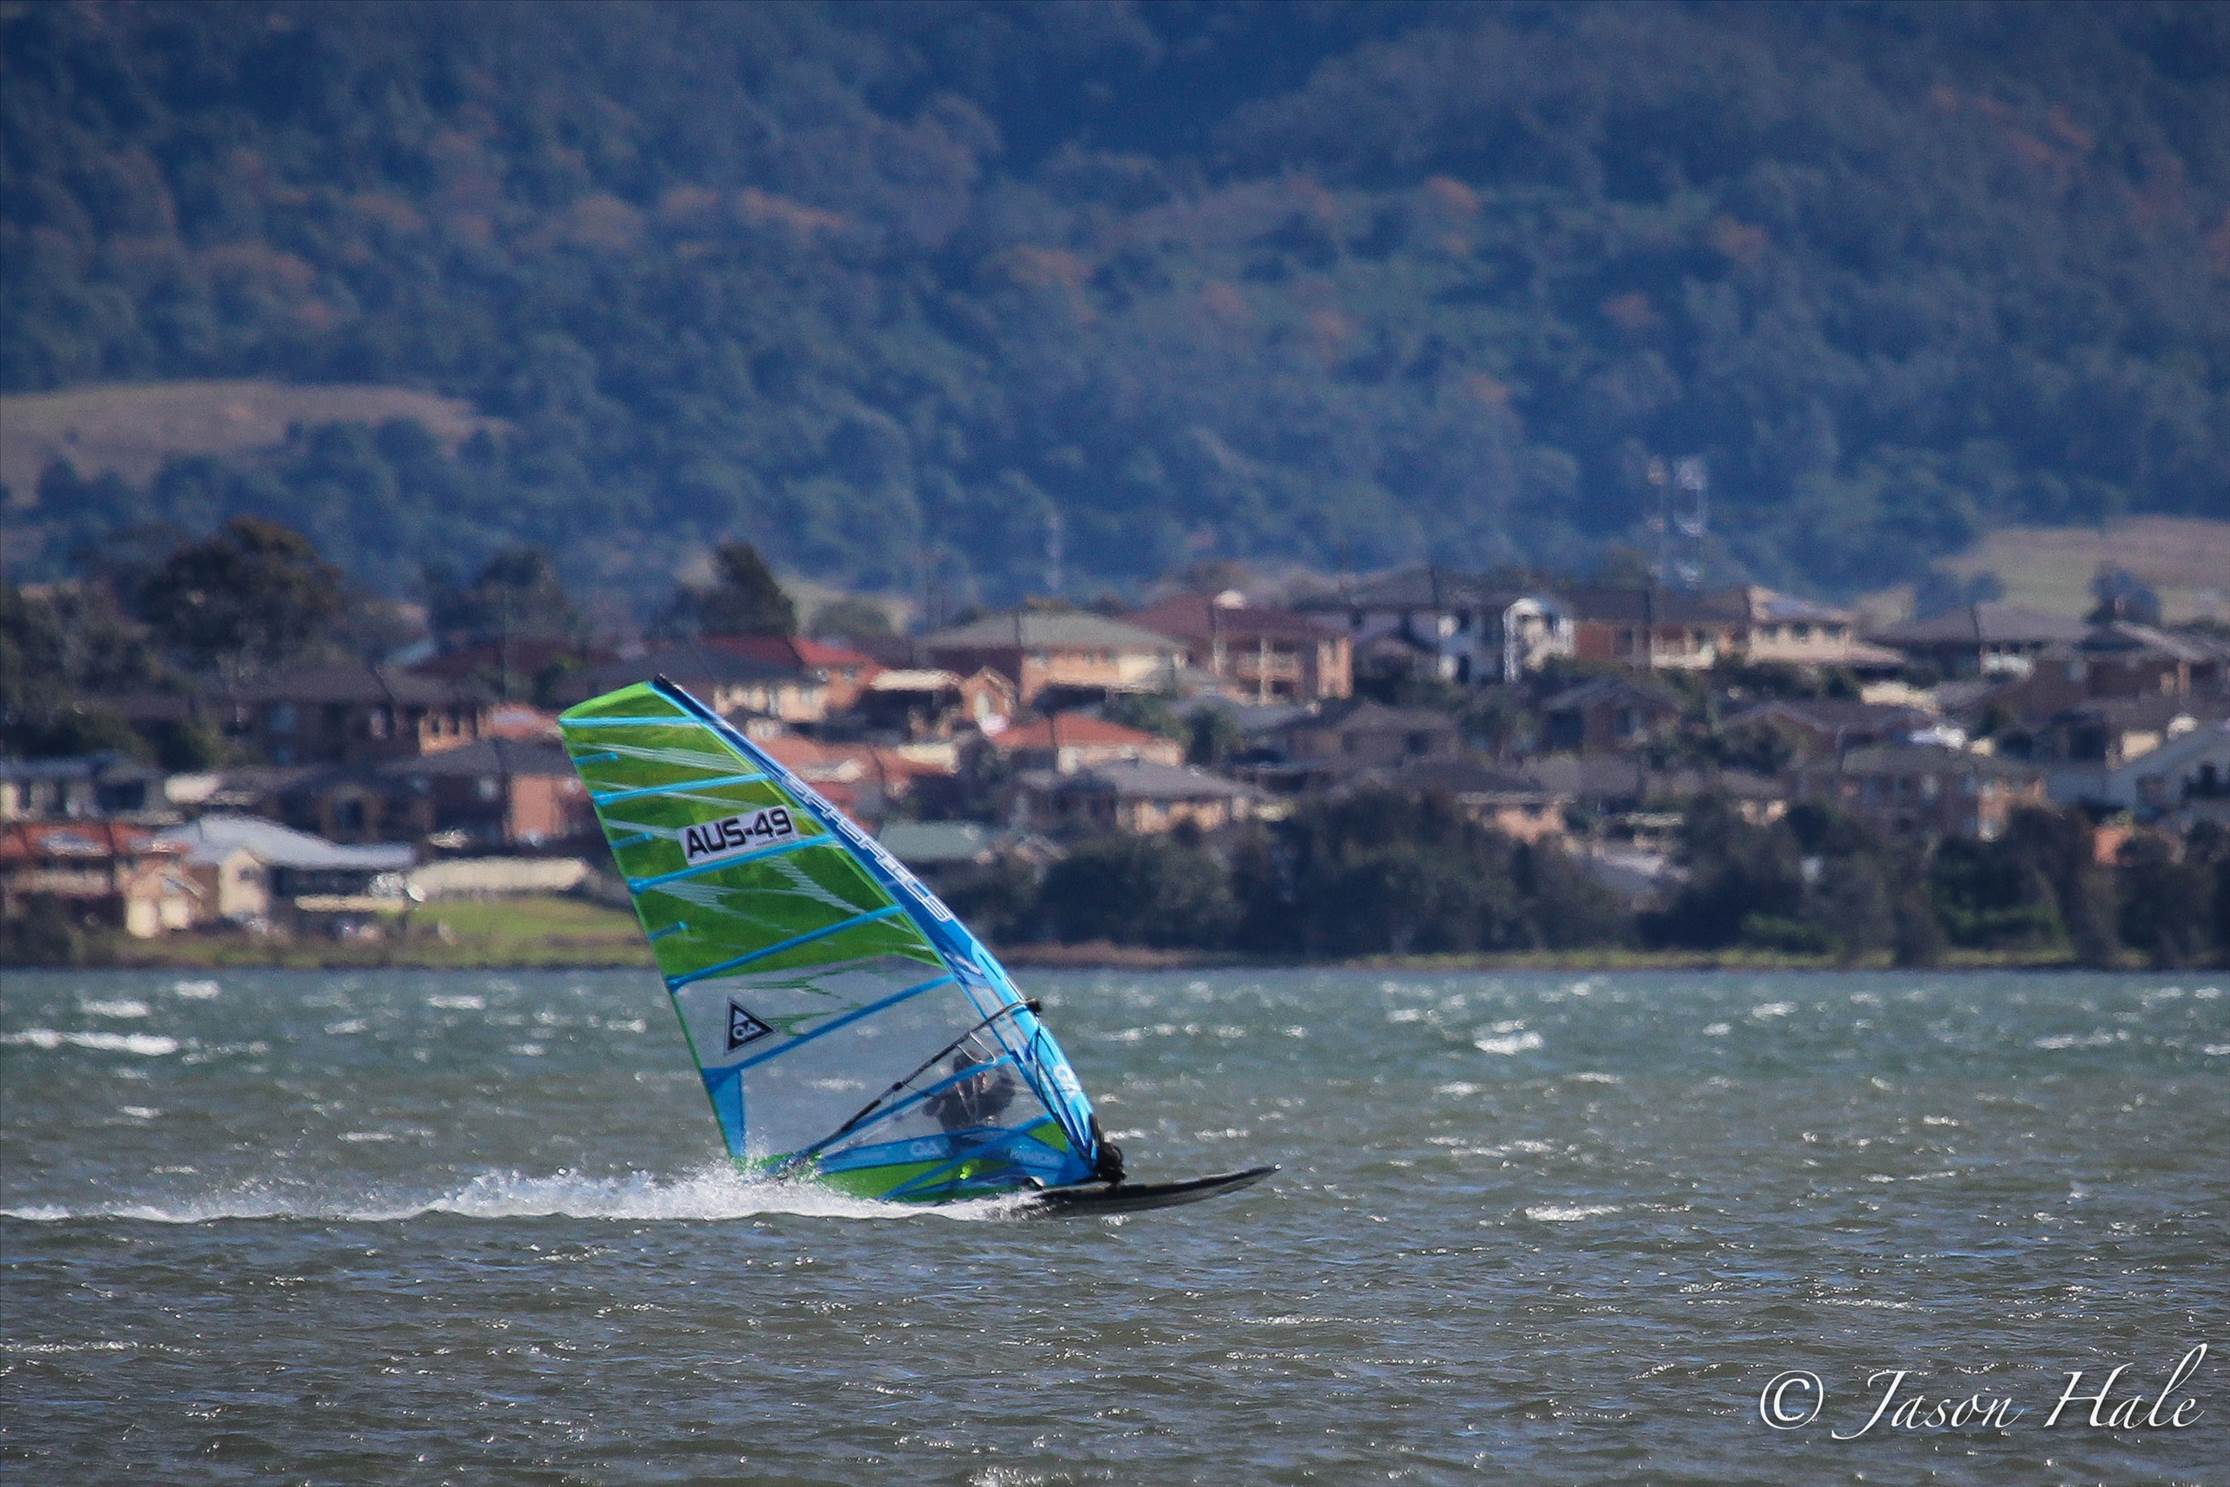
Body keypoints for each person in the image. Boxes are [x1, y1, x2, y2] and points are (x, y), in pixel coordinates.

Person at [924, 1052, 1017, 1133]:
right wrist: (951, 1086)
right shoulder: (947, 1101)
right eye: (978, 1071)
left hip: (993, 1145)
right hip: (962, 1147)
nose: (984, 1075)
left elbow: (1007, 1088)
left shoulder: (986, 1100)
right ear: (965, 1075)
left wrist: (1000, 1065)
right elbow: (928, 1110)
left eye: (983, 1070)